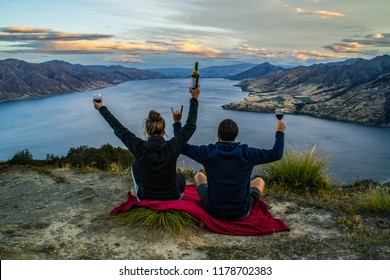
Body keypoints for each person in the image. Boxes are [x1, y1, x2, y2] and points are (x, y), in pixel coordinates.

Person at [93, 86, 200, 201]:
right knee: (180, 178)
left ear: (147, 131)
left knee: (135, 165)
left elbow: (118, 128)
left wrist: (101, 108)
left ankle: (142, 195)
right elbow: (190, 126)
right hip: (172, 198)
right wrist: (194, 99)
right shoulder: (172, 147)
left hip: (146, 198)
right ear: (163, 130)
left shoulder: (139, 147)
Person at [172, 115, 286, 221]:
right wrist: (280, 132)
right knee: (259, 181)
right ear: (236, 135)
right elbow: (276, 154)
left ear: (219, 135)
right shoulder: (247, 153)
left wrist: (177, 123)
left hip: (214, 210)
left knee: (199, 176)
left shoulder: (208, 152)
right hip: (241, 212)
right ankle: (248, 198)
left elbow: (182, 146)